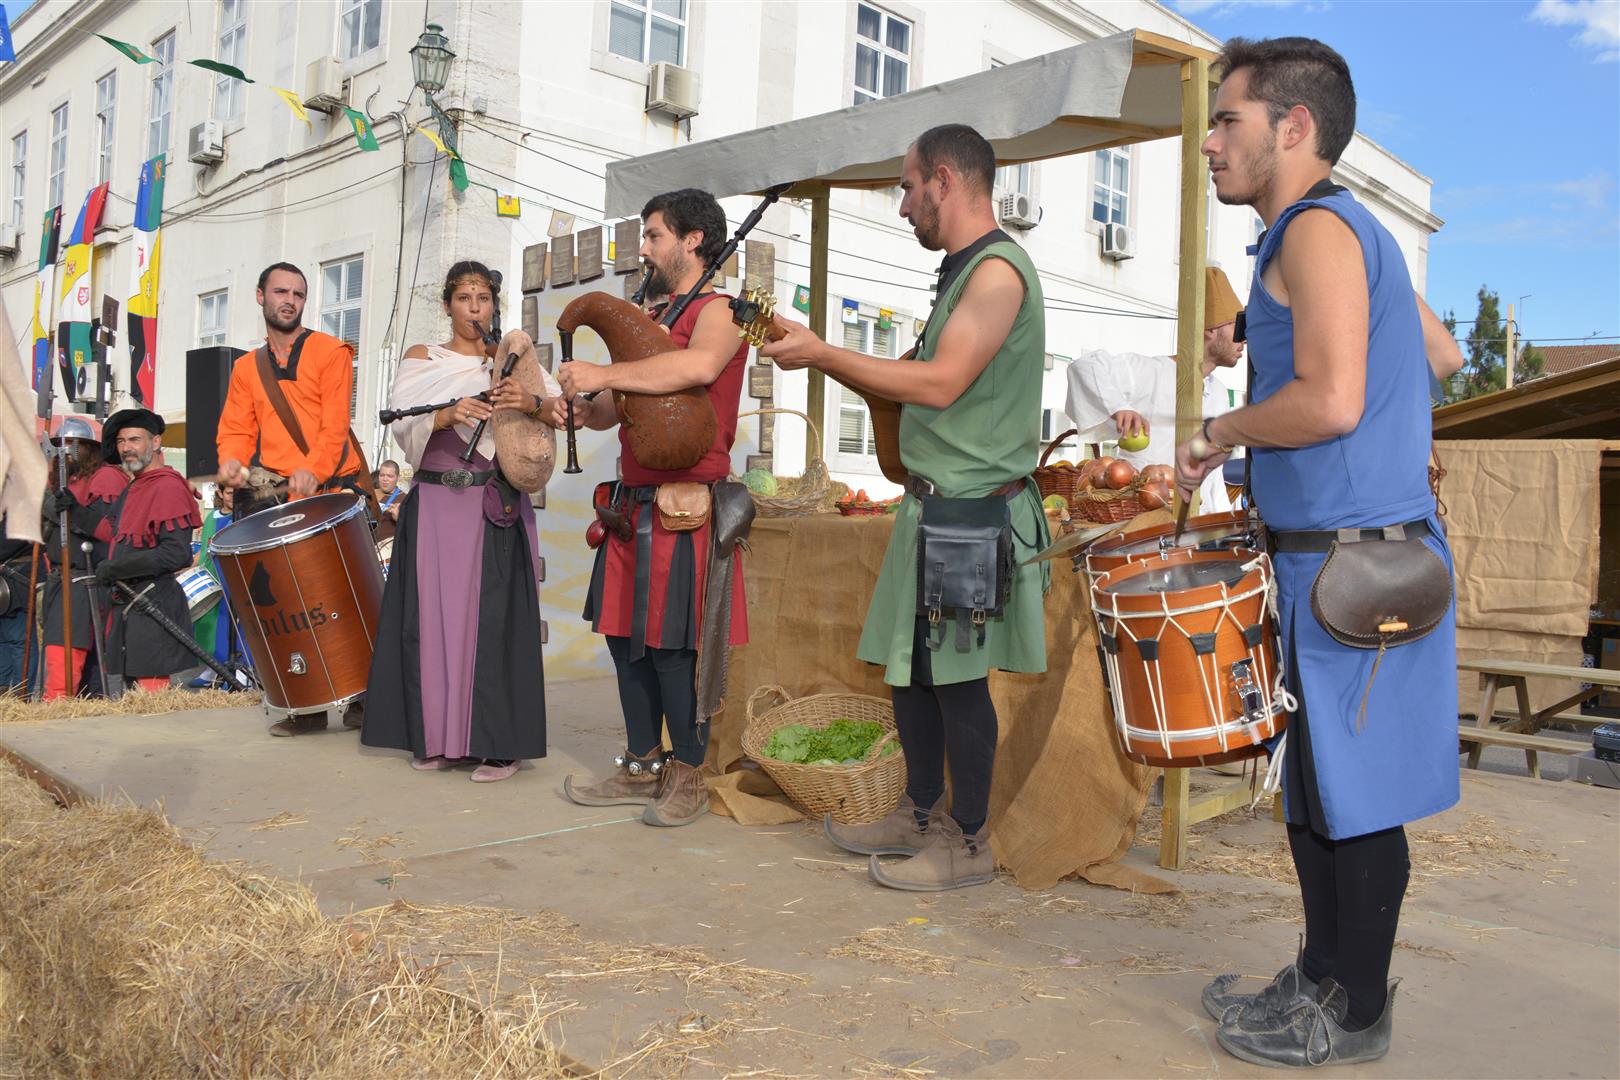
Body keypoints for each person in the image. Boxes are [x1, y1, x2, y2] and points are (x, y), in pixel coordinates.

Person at [1176, 38, 1458, 1069]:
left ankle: (1358, 1012)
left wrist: (1221, 433)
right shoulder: (1323, 237)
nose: (1209, 142)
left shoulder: (1319, 228)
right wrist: (1263, 329)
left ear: (1293, 128)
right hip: (1330, 556)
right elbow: (1437, 349)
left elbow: (1333, 401)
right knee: (1319, 789)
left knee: (1360, 797)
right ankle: (1324, 974)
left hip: (1355, 567)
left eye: (1227, 120)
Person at [759, 124, 1049, 891]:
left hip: (970, 516)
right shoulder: (960, 275)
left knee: (956, 684)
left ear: (945, 181)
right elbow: (908, 377)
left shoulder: (997, 273)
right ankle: (919, 813)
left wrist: (824, 353)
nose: (902, 206)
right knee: (913, 674)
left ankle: (970, 841)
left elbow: (943, 381)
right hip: (934, 511)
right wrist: (822, 351)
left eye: (908, 186)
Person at [552, 188, 751, 827]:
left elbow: (695, 369)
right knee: (625, 641)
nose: (644, 247)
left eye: (654, 235)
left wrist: (604, 374)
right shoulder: (649, 312)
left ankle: (688, 774)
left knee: (674, 648)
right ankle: (642, 766)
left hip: (687, 506)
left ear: (694, 239)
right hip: (632, 506)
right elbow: (618, 408)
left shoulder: (721, 310)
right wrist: (583, 404)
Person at [362, 261, 552, 783]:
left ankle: (499, 746)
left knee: (491, 620)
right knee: (433, 620)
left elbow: (558, 412)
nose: (475, 308)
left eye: (484, 298)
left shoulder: (513, 359)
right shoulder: (425, 357)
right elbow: (401, 416)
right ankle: (439, 737)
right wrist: (446, 414)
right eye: (465, 298)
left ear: (494, 304)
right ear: (447, 305)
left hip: (492, 502)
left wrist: (526, 399)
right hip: (435, 504)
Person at [215, 261, 369, 734]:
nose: (290, 301)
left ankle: (365, 696)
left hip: (328, 487)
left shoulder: (330, 351)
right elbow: (238, 428)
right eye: (281, 292)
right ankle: (305, 704)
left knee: (341, 597)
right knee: (286, 606)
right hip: (274, 494)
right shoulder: (245, 367)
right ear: (260, 296)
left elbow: (335, 425)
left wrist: (314, 470)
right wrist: (231, 462)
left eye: (299, 294)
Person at [1064, 266, 1246, 512]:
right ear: (1210, 329)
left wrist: (1225, 528)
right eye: (1238, 326)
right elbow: (1085, 367)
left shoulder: (1220, 394)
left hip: (1196, 531)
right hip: (1145, 527)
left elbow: (1213, 479)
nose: (1244, 338)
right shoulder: (1151, 372)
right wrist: (1119, 407)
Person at [93, 409, 201, 693]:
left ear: (155, 443)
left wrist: (116, 569)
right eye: (121, 441)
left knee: (152, 705)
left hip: (154, 605)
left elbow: (177, 554)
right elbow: (112, 534)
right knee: (129, 703)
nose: (126, 448)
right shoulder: (134, 487)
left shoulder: (167, 486)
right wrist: (70, 510)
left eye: (134, 439)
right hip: (130, 605)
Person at [38, 417, 127, 699]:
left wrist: (57, 507)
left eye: (72, 446)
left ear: (88, 448)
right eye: (61, 447)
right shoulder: (65, 479)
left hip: (85, 578)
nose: (66, 453)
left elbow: (104, 529)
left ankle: (60, 707)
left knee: (66, 650)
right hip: (62, 578)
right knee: (62, 648)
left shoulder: (105, 478)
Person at [373, 459, 407, 542]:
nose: (385, 479)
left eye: (390, 476)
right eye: (382, 475)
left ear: (398, 477)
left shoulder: (405, 499)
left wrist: (398, 518)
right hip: (367, 544)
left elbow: (412, 530)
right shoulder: (371, 493)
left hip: (387, 548)